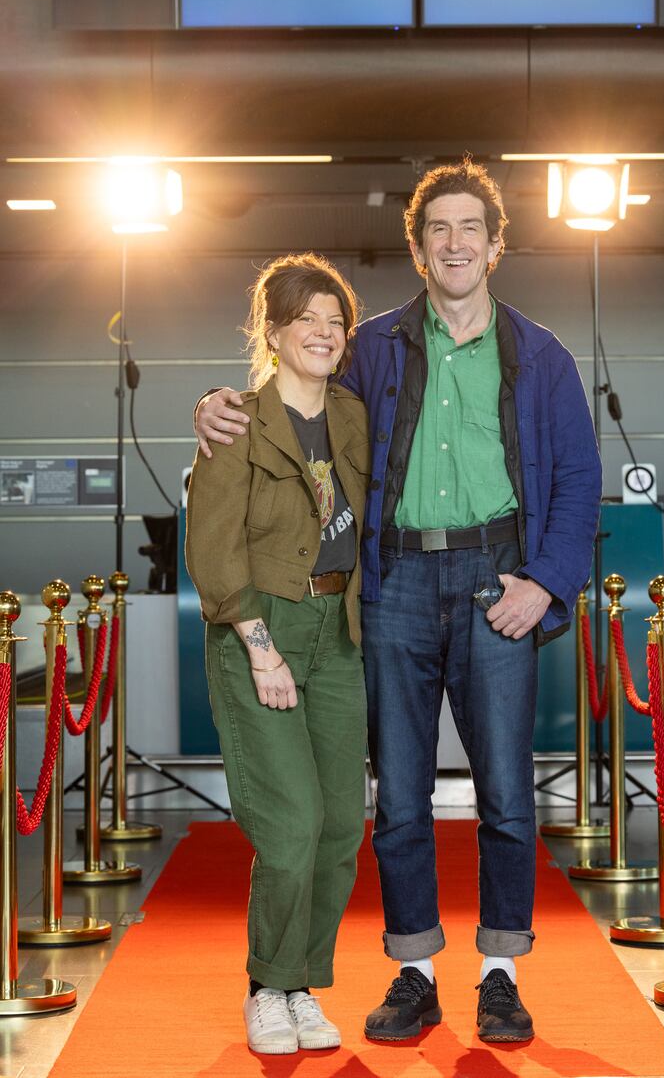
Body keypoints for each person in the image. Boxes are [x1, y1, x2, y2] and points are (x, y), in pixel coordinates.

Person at [195, 160, 602, 1045]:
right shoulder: (373, 345)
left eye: (470, 228)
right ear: (418, 251)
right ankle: (415, 970)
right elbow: (291, 390)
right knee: (401, 795)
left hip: (500, 580)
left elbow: (578, 481)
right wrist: (216, 405)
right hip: (394, 585)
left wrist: (545, 581)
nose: (455, 244)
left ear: (496, 245)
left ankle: (501, 975)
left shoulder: (544, 356)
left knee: (505, 793)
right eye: (437, 230)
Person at [186, 253, 370, 1055]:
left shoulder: (355, 415)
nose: (324, 333)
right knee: (292, 822)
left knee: (341, 826)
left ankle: (301, 985)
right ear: (272, 331)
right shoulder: (235, 422)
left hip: (340, 631)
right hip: (259, 629)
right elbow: (213, 549)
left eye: (336, 321)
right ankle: (267, 984)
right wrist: (261, 649)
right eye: (307, 320)